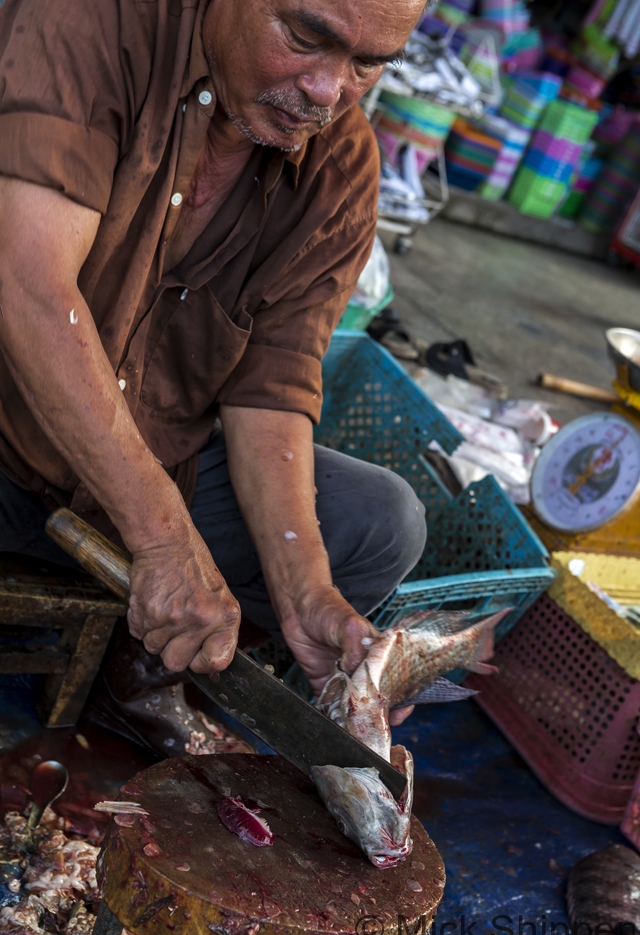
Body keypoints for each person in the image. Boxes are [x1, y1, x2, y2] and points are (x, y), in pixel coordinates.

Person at [0, 0, 427, 754]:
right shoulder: (92, 20)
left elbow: (270, 393)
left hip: (137, 485)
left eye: (368, 63)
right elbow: (27, 284)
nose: (328, 91)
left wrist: (305, 591)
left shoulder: (343, 167)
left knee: (379, 521)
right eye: (305, 38)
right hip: (9, 443)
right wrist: (163, 537)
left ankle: (136, 674)